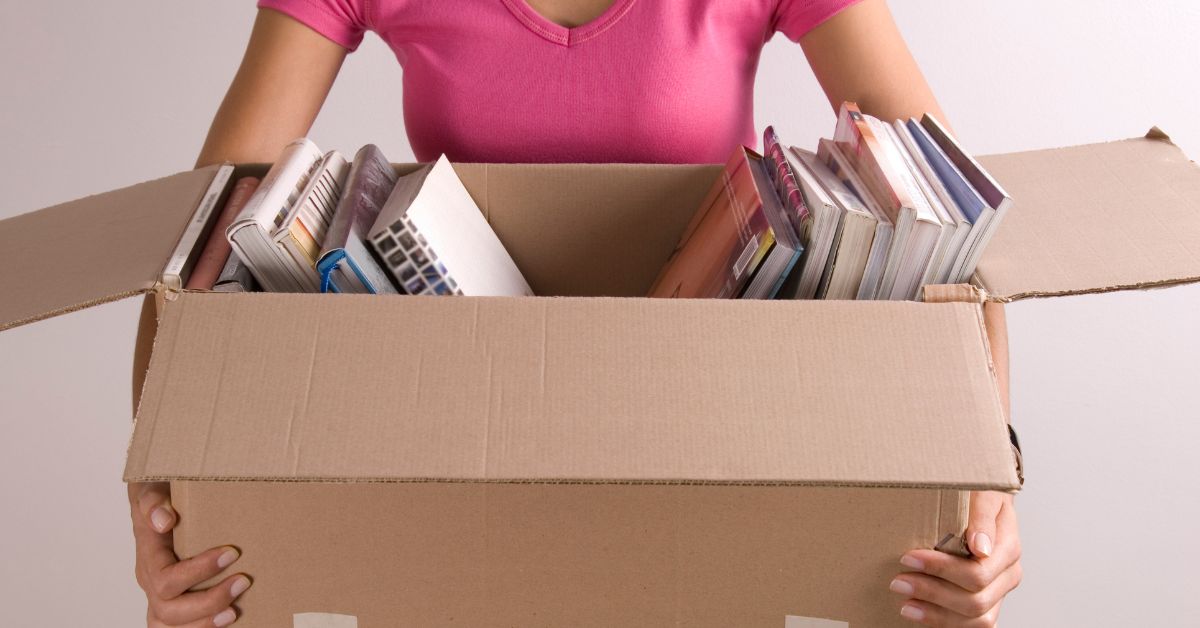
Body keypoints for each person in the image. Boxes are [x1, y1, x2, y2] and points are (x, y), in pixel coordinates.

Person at [128, 1, 1021, 626]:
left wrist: (988, 484)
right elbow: (198, 243)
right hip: (467, 438)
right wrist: (157, 499)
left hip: (705, 435)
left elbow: (954, 229)